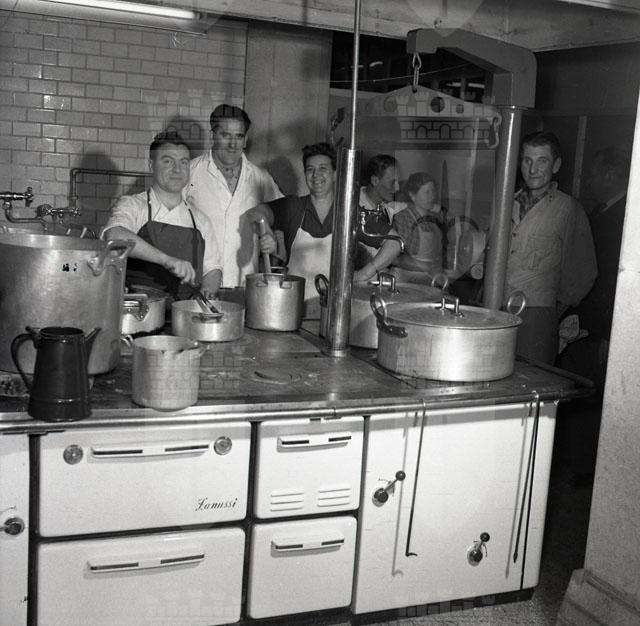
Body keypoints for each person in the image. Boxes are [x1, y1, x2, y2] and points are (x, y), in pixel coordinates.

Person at [248, 143, 401, 318]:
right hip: (293, 310)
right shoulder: (294, 207)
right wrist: (266, 229)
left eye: (323, 169)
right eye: (310, 170)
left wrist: (364, 273)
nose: (316, 175)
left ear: (335, 174)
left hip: (335, 313)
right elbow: (256, 212)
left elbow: (395, 242)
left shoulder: (349, 214)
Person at [558, 147, 630, 484]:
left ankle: (587, 469)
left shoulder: (625, 218)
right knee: (579, 386)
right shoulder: (603, 212)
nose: (588, 181)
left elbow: (615, 283)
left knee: (590, 393)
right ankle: (578, 460)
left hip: (596, 325)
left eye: (594, 174)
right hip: (582, 321)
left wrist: (605, 333)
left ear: (611, 175)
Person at [504, 131, 597, 364]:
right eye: (527, 160)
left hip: (538, 316)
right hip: (498, 309)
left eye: (542, 161)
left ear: (555, 165)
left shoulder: (568, 209)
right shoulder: (507, 203)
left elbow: (584, 272)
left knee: (532, 378)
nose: (533, 169)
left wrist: (552, 313)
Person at [103, 130, 222, 299]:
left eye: (183, 162)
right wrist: (166, 260)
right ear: (151, 165)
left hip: (185, 311)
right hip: (142, 309)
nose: (177, 169)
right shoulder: (133, 205)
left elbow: (212, 269)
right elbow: (114, 236)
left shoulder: (200, 220)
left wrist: (206, 293)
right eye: (168, 161)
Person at [186, 104, 283, 287]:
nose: (232, 144)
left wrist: (274, 242)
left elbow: (281, 220)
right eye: (225, 135)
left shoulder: (261, 178)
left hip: (245, 286)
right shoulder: (190, 173)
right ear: (213, 135)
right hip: (198, 286)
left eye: (238, 136)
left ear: (245, 140)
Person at [354, 154, 405, 281]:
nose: (397, 188)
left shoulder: (387, 208)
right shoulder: (354, 207)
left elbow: (415, 205)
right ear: (375, 181)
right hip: (358, 281)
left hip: (380, 281)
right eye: (392, 182)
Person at [390, 172, 446, 284]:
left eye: (433, 191)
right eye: (426, 192)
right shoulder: (403, 218)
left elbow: (439, 254)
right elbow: (395, 258)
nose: (432, 196)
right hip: (405, 279)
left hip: (430, 278)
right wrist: (425, 266)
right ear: (412, 195)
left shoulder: (436, 219)